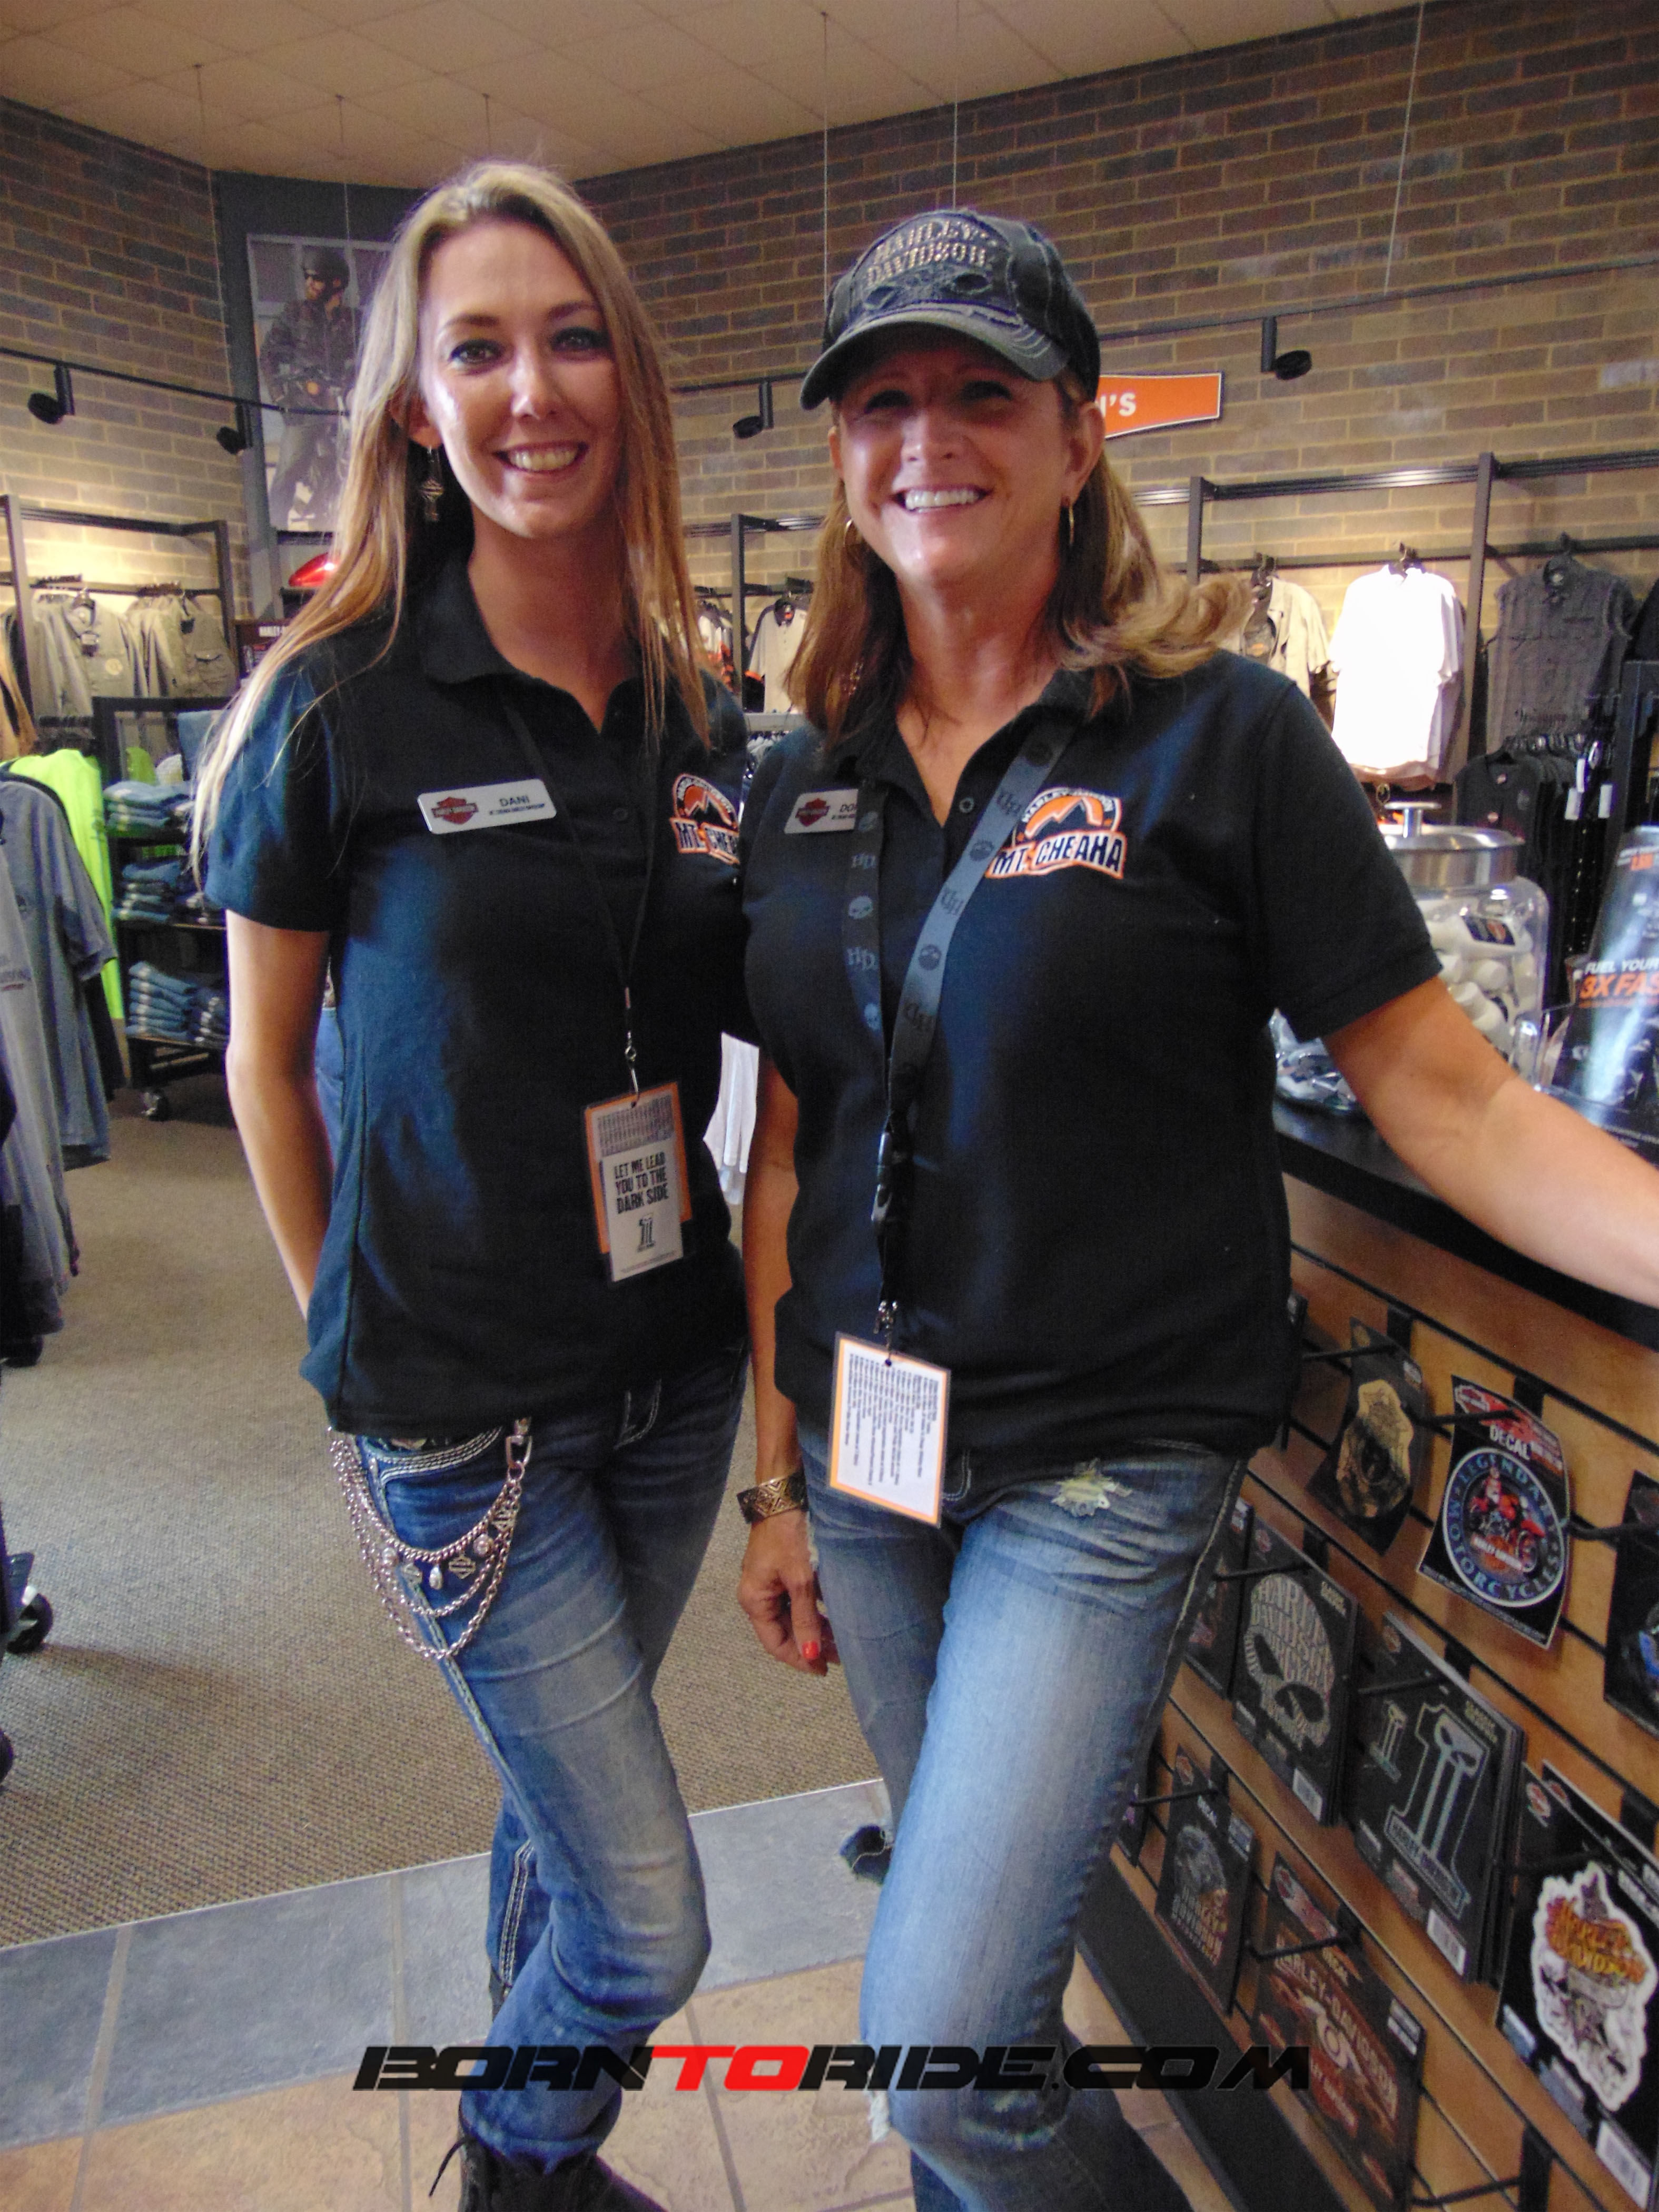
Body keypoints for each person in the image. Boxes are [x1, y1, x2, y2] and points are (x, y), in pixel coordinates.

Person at [735, 208, 1659, 2212]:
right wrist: (774, 1472)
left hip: (1099, 1460)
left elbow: (1453, 1099)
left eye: (982, 393)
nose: (926, 439)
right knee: (975, 2002)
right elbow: (792, 1142)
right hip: (874, 1462)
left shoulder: (1222, 737)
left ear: (1080, 437)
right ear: (841, 455)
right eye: (881, 402)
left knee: (943, 2049)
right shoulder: (801, 780)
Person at [199, 162, 754, 2212]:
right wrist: (347, 1331)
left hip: (673, 1374)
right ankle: (520, 2151)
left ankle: (539, 2155)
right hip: (458, 1410)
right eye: (480, 350)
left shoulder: (701, 709)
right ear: (417, 412)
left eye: (574, 337)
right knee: (646, 1916)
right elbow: (264, 1066)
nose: (535, 389)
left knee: (560, 1821)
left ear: (631, 381)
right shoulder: (338, 701)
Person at [261, 244, 359, 529]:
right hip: (305, 408)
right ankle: (276, 529)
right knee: (288, 470)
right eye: (307, 278)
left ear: (336, 283)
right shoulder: (295, 314)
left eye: (316, 279)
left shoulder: (354, 321)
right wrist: (281, 397)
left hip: (340, 409)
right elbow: (268, 355)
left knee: (353, 469)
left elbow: (369, 360)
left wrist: (351, 388)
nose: (309, 284)